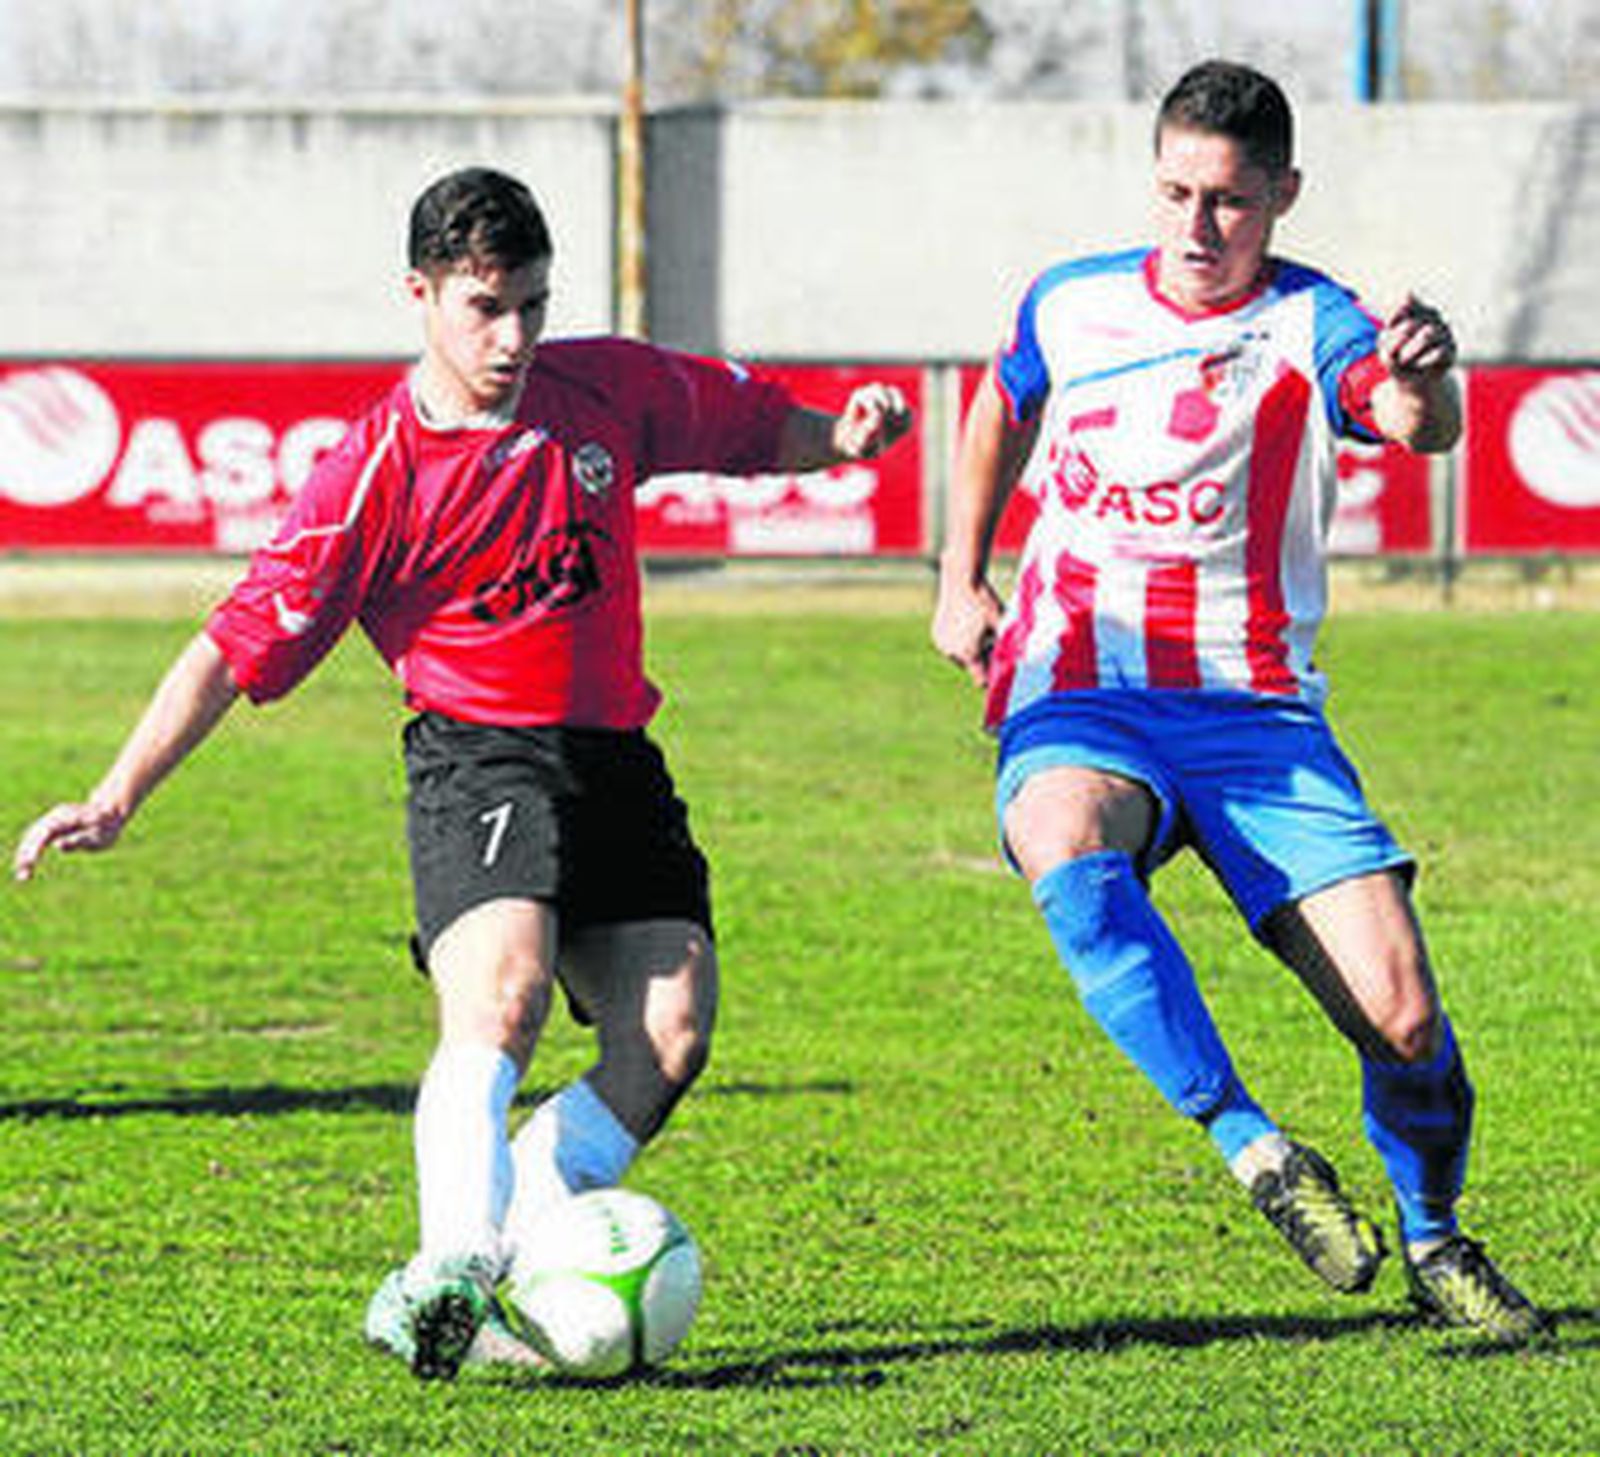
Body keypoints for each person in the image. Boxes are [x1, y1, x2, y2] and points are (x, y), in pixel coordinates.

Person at [12, 165, 912, 1380]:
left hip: (612, 753)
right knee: (502, 996)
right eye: (485, 307)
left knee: (670, 1030)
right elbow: (234, 643)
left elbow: (749, 427)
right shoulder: (373, 469)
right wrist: (116, 794)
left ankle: (536, 1200)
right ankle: (449, 1271)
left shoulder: (603, 387)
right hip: (476, 753)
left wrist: (839, 435)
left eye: (531, 305)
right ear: (422, 295)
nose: (512, 337)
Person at [932, 60, 1549, 1344]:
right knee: (1060, 836)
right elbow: (1000, 406)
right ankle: (1255, 1147)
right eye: (1175, 193)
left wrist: (1427, 371)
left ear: (1282, 194)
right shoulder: (1069, 300)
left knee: (1405, 1019)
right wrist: (959, 573)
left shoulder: (1312, 320)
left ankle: (1434, 1235)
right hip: (1082, 684)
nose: (1197, 226)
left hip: (1255, 715)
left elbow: (1411, 421)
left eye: (1228, 201)